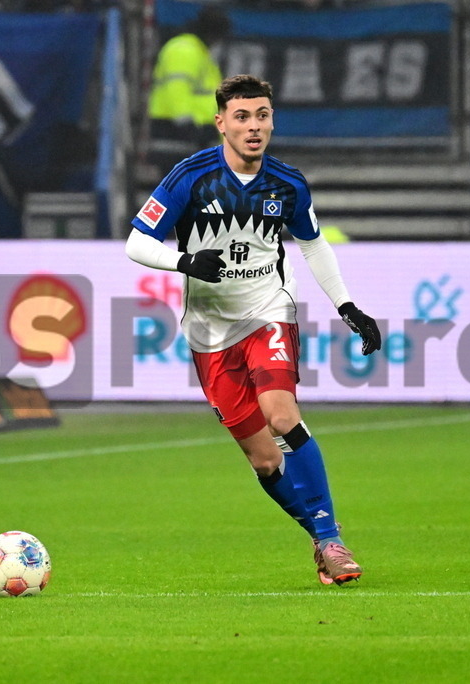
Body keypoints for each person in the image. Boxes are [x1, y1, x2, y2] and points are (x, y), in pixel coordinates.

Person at [126, 74, 382, 586]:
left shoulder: (287, 183)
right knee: (265, 462)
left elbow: (312, 244)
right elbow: (137, 242)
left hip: (268, 312)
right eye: (242, 117)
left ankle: (333, 539)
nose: (253, 126)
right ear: (221, 122)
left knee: (281, 414)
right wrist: (186, 262)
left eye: (262, 115)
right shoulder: (189, 177)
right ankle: (319, 538)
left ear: (271, 121)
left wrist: (347, 305)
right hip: (209, 335)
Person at [146, 6, 230, 178]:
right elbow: (177, 90)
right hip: (177, 133)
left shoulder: (200, 54)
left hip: (195, 135)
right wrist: (186, 125)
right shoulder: (184, 50)